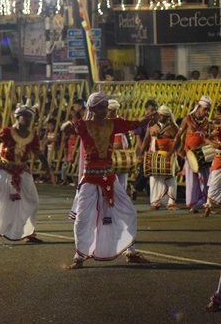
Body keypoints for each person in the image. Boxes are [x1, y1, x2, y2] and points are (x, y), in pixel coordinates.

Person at [66, 92, 155, 269]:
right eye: (102, 106)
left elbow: (134, 124)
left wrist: (149, 118)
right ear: (93, 108)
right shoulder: (83, 125)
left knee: (129, 211)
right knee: (83, 218)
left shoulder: (112, 124)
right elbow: (67, 128)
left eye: (106, 106)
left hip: (109, 176)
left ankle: (131, 251)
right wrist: (73, 119)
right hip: (90, 178)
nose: (106, 109)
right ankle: (79, 256)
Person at [0, 105, 55, 246]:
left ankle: (29, 233)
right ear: (17, 117)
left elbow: (39, 154)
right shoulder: (7, 131)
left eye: (29, 116)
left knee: (34, 202)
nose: (27, 119)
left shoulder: (32, 135)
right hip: (5, 171)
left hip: (22, 172)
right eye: (24, 116)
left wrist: (48, 171)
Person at [170, 95, 211, 212]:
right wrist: (177, 150)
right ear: (198, 107)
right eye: (205, 109)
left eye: (208, 110)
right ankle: (193, 204)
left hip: (202, 155)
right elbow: (178, 136)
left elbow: (207, 137)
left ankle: (204, 203)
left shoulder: (206, 122)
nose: (206, 112)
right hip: (190, 154)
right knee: (191, 180)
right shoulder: (187, 119)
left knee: (204, 180)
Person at [139, 105, 179, 210]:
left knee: (170, 179)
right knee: (155, 179)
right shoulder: (152, 126)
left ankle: (170, 202)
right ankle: (155, 202)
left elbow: (178, 140)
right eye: (160, 115)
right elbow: (146, 140)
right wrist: (140, 154)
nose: (160, 117)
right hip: (154, 156)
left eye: (163, 116)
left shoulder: (173, 127)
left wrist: (172, 152)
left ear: (167, 116)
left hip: (168, 156)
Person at [108, 99, 131, 190]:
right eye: (109, 110)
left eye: (111, 111)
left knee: (120, 182)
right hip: (112, 155)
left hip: (119, 156)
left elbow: (123, 142)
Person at [203, 107, 221, 217]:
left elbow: (217, 145)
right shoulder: (218, 128)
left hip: (219, 159)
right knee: (212, 182)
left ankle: (209, 205)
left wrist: (207, 140)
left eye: (217, 115)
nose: (216, 117)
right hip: (217, 158)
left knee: (214, 183)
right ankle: (208, 205)